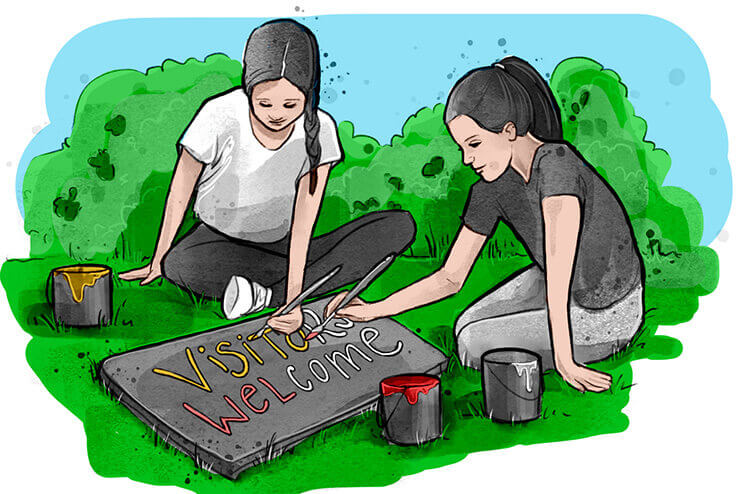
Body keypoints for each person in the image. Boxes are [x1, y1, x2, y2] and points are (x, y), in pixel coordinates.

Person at [325, 56, 644, 393]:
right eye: (462, 147)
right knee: (464, 328)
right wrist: (376, 309)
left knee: (474, 343)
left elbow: (561, 270)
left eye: (474, 144)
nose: (467, 159)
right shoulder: (491, 186)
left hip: (609, 308)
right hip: (552, 280)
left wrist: (565, 362)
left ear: (508, 131)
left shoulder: (558, 165)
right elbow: (450, 277)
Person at [119, 19, 415, 334]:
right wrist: (158, 258)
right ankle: (284, 287)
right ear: (249, 89)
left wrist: (293, 302)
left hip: (282, 244)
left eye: (291, 104)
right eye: (265, 103)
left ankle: (264, 296)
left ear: (308, 94)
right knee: (179, 265)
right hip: (218, 243)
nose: (277, 113)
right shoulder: (218, 114)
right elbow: (180, 190)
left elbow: (304, 223)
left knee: (398, 227)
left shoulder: (320, 129)